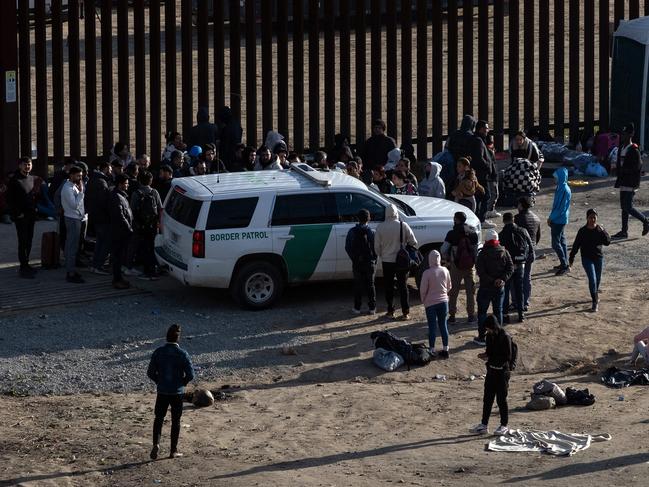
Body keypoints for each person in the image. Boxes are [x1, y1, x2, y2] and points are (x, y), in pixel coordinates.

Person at [147, 324, 195, 460]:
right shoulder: (182, 354)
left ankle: (156, 443)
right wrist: (182, 383)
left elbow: (150, 372)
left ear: (166, 337)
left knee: (159, 418)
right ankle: (173, 450)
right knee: (176, 421)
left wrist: (159, 381)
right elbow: (191, 375)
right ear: (178, 338)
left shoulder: (158, 352)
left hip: (162, 391)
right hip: (176, 392)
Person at [470, 314, 513, 436]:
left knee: (501, 400)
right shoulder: (489, 336)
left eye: (488, 328)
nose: (487, 331)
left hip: (502, 372)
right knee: (487, 399)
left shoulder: (505, 337)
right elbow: (489, 351)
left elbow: (507, 356)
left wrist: (491, 358)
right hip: (491, 371)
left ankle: (504, 425)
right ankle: (484, 424)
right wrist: (485, 356)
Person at [375, 204, 417, 320]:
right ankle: (405, 312)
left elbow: (376, 247)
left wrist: (382, 254)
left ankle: (390, 311)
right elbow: (413, 242)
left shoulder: (380, 227)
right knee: (403, 287)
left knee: (389, 286)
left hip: (387, 261)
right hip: (402, 261)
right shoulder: (403, 225)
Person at [474, 229, 513, 346]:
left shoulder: (482, 254)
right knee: (498, 312)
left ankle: (482, 337)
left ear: (486, 240)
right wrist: (501, 280)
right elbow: (510, 268)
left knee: (482, 313)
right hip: (499, 288)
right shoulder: (504, 251)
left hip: (486, 288)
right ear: (497, 240)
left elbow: (481, 272)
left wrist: (493, 280)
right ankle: (498, 337)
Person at [440, 211, 479, 325]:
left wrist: (447, 260)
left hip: (456, 266)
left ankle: (452, 316)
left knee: (453, 292)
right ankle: (471, 316)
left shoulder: (451, 233)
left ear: (456, 219)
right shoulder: (473, 233)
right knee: (470, 292)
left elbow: (443, 250)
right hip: (470, 267)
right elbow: (475, 251)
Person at [568, 209, 611, 312]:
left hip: (598, 257)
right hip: (587, 258)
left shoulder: (600, 230)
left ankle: (594, 294)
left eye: (594, 217)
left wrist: (603, 231)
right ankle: (595, 302)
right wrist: (571, 258)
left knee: (598, 279)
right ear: (587, 218)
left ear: (597, 218)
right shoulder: (582, 231)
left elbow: (607, 242)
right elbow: (576, 245)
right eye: (590, 217)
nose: (592, 219)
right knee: (592, 279)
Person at [612, 123, 649, 239]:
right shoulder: (621, 148)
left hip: (630, 182)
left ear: (631, 134)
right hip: (623, 181)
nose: (624, 136)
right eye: (623, 134)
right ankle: (624, 231)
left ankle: (645, 221)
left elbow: (637, 167)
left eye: (626, 134)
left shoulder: (634, 150)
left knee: (628, 207)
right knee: (624, 207)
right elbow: (620, 164)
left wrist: (624, 171)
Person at [7, 157, 41, 278]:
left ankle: (26, 263)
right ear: (20, 166)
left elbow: (35, 196)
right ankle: (23, 266)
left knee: (29, 240)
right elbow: (9, 200)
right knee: (23, 241)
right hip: (21, 216)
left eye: (29, 164)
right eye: (25, 164)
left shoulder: (32, 178)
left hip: (31, 215)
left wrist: (36, 209)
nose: (28, 166)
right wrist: (17, 214)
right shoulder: (14, 180)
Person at [499, 212, 533, 323]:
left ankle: (504, 315)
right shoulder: (523, 231)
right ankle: (521, 314)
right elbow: (530, 245)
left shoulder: (501, 234)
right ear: (513, 220)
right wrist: (528, 258)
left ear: (504, 221)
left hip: (507, 266)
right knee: (519, 289)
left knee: (506, 290)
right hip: (520, 264)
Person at [420, 250, 452, 359]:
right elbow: (449, 286)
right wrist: (444, 294)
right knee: (443, 325)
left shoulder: (427, 273)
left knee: (432, 327)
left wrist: (424, 300)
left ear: (429, 259)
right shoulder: (445, 270)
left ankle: (432, 349)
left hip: (430, 304)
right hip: (443, 302)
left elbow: (423, 290)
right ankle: (445, 349)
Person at [131, 171, 163, 280]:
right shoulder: (155, 192)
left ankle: (146, 271)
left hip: (141, 225)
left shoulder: (136, 193)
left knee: (144, 247)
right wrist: (159, 223)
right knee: (153, 246)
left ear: (139, 181)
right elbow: (160, 209)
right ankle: (154, 269)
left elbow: (132, 210)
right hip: (153, 225)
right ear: (151, 181)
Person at [345, 209, 377, 315]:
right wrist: (374, 259)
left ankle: (357, 308)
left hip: (357, 262)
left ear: (357, 218)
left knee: (358, 285)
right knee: (371, 285)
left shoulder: (351, 231)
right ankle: (372, 308)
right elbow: (375, 247)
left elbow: (347, 247)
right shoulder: (371, 232)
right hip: (369, 262)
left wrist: (354, 258)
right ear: (369, 218)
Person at [513, 196, 541, 311]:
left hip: (520, 251)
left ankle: (516, 302)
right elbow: (538, 236)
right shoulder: (536, 218)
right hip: (531, 251)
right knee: (527, 277)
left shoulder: (518, 218)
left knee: (516, 278)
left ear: (521, 205)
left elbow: (514, 236)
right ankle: (526, 302)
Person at [85, 161, 113, 275]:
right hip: (102, 217)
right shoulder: (102, 182)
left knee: (100, 242)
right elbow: (103, 202)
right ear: (105, 168)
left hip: (94, 216)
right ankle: (98, 265)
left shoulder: (93, 179)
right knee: (105, 242)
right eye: (110, 169)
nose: (111, 171)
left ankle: (95, 265)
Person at [60, 166, 87, 284]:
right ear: (71, 175)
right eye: (78, 175)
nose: (80, 178)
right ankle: (70, 273)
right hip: (72, 219)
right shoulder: (67, 188)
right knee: (72, 246)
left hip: (76, 218)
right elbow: (74, 205)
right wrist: (81, 193)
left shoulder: (73, 186)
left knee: (72, 245)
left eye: (81, 175)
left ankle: (71, 269)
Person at [109, 174, 133, 289]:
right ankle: (116, 279)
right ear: (120, 184)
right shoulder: (116, 197)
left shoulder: (120, 195)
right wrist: (129, 228)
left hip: (120, 231)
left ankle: (119, 278)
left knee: (120, 256)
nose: (127, 185)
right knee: (117, 256)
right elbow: (120, 215)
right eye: (126, 183)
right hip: (118, 231)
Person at [548, 167, 572, 275]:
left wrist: (551, 218)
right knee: (562, 242)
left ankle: (565, 265)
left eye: (556, 177)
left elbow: (560, 208)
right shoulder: (561, 187)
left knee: (556, 243)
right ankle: (565, 263)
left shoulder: (563, 189)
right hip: (559, 219)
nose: (554, 179)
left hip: (559, 220)